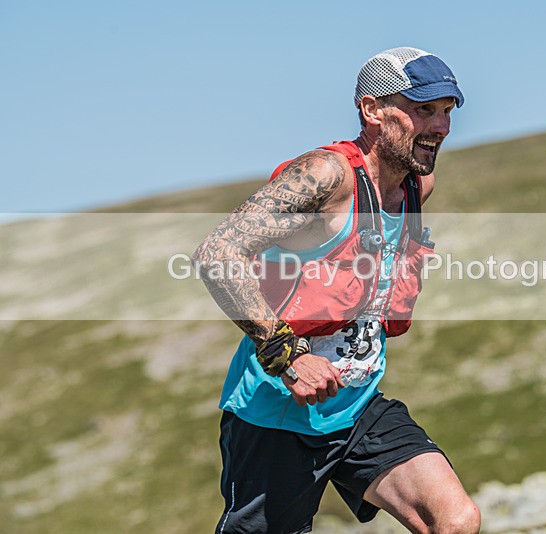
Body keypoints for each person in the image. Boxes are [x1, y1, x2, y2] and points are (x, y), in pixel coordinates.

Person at [193, 47, 480, 534]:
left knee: (454, 519)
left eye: (447, 112)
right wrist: (288, 355)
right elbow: (218, 252)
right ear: (372, 109)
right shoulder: (325, 176)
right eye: (423, 110)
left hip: (356, 407)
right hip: (279, 411)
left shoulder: (416, 186)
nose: (441, 127)